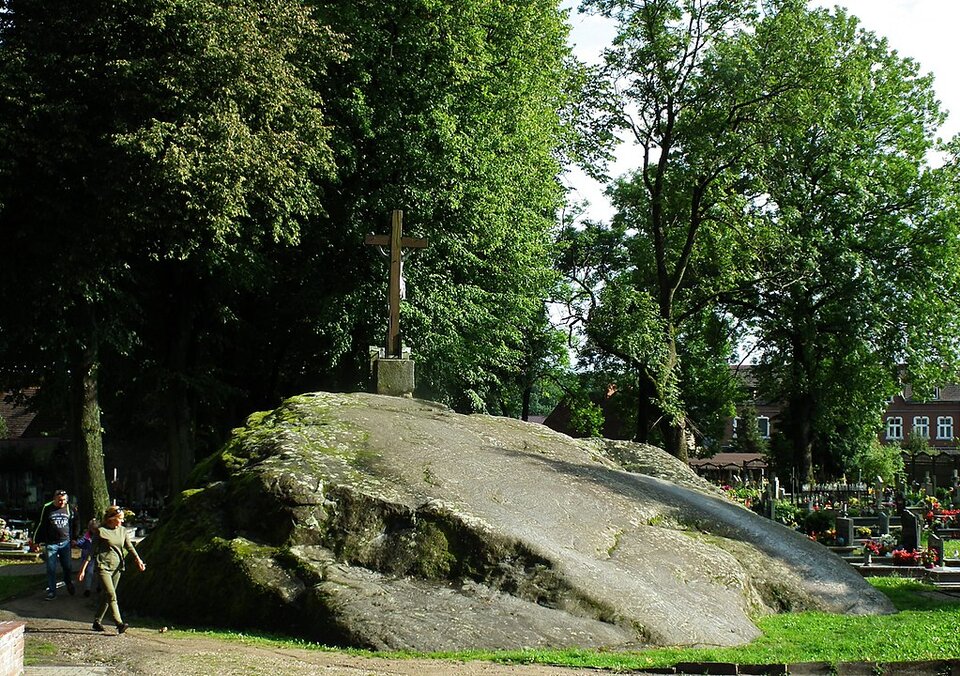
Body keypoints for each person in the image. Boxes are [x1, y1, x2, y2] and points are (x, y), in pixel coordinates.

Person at [79, 506, 146, 635]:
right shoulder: (101, 531)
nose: (122, 521)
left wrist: (138, 560)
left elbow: (130, 547)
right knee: (111, 594)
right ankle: (119, 623)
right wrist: (83, 569)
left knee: (107, 595)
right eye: (120, 519)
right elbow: (91, 551)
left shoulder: (122, 531)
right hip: (103, 566)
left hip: (118, 567)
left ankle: (97, 621)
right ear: (112, 519)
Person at [32, 489, 76, 600]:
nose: (62, 503)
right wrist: (35, 541)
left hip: (65, 542)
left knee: (67, 566)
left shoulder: (69, 508)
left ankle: (67, 580)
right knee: (51, 568)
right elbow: (40, 524)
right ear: (54, 499)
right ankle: (52, 591)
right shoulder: (47, 508)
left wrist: (75, 538)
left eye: (64, 500)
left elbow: (76, 523)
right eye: (60, 500)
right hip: (51, 543)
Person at [76, 518, 99, 597]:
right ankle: (87, 589)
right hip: (89, 557)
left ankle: (99, 586)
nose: (94, 531)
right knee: (89, 572)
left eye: (95, 529)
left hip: (98, 556)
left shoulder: (100, 535)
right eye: (92, 529)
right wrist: (77, 543)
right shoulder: (86, 536)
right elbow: (81, 542)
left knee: (99, 572)